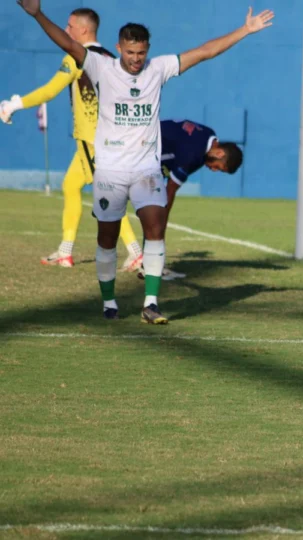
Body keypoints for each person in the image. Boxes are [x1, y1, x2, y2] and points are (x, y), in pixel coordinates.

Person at [16, 0, 273, 323]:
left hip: (146, 171)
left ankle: (151, 303)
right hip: (110, 170)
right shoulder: (101, 66)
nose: (136, 59)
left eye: (140, 53)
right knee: (107, 238)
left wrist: (244, 30)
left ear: (147, 50)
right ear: (118, 49)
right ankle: (109, 302)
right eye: (130, 52)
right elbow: (67, 43)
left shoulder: (159, 68)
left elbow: (205, 52)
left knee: (155, 227)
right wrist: (38, 14)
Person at [0, 7, 142, 271]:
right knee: (71, 185)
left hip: (93, 140)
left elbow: (49, 91)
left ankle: (135, 252)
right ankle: (65, 251)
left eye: (69, 26)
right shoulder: (110, 58)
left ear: (83, 30)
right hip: (108, 139)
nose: (66, 31)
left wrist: (14, 104)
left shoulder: (77, 57)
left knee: (108, 198)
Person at [140, 119, 243, 281]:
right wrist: (161, 222)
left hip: (144, 145)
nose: (213, 170)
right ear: (219, 154)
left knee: (154, 213)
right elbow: (170, 190)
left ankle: (152, 264)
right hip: (138, 152)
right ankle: (151, 266)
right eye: (218, 167)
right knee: (156, 215)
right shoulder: (193, 154)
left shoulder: (209, 135)